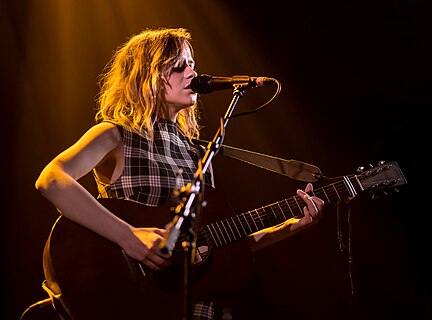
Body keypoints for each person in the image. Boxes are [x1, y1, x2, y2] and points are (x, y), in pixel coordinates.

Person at [35, 27, 324, 320]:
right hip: (137, 300)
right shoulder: (117, 133)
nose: (192, 73)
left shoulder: (197, 153)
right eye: (178, 67)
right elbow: (52, 180)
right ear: (145, 77)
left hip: (190, 306)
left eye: (192, 65)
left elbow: (210, 245)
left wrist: (288, 227)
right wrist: (130, 236)